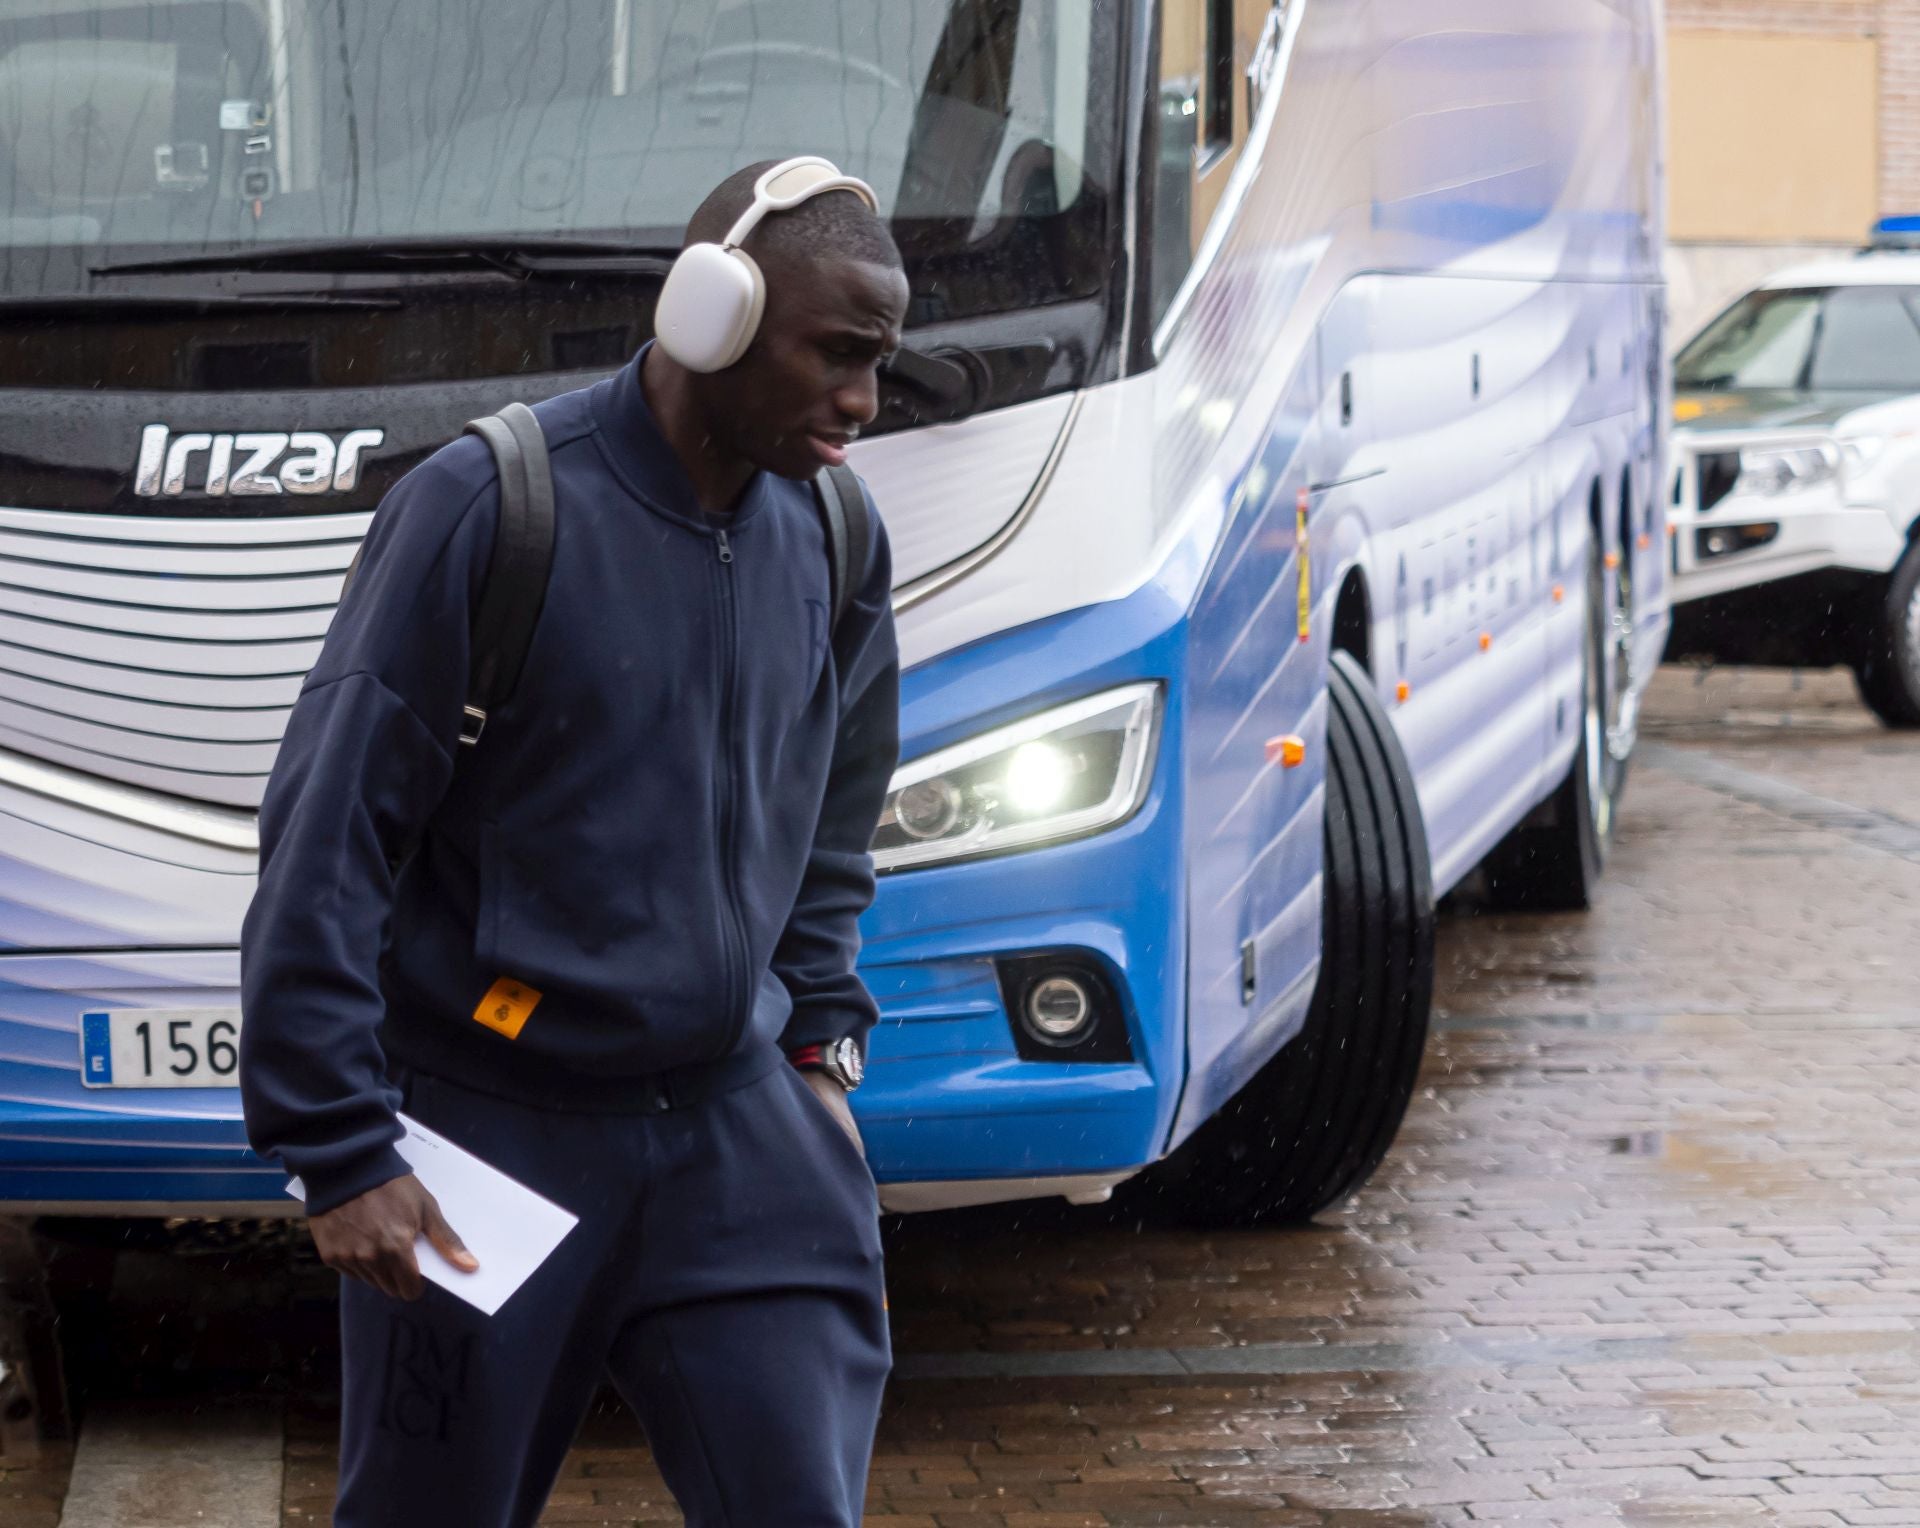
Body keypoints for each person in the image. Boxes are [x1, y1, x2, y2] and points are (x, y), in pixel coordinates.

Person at [238, 158, 910, 1527]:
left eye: (880, 361)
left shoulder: (835, 532)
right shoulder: (493, 509)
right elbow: (329, 834)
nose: (864, 404)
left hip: (741, 1143)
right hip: (496, 1139)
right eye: (837, 356)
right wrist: (341, 1144)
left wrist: (821, 1050)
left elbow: (838, 806)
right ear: (711, 314)